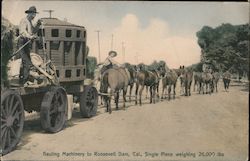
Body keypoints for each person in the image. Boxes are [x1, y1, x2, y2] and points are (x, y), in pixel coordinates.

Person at [18, 6, 41, 86]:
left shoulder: (30, 22)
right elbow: (23, 32)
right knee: (26, 62)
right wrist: (30, 37)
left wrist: (38, 25)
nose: (34, 16)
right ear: (30, 13)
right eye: (33, 14)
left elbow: (33, 31)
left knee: (27, 62)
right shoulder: (24, 21)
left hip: (27, 43)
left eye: (35, 14)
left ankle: (23, 80)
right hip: (22, 42)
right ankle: (24, 81)